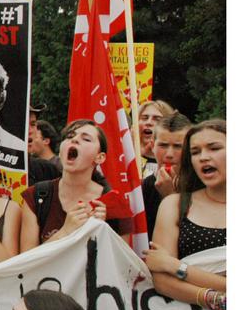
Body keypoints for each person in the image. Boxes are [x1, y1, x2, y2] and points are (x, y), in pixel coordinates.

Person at [144, 120, 225, 310]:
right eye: (195, 152)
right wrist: (212, 298)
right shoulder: (174, 204)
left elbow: (167, 266)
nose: (204, 157)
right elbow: (161, 280)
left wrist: (176, 266)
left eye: (214, 148)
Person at [19, 120, 132, 249]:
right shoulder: (35, 196)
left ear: (100, 157)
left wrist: (102, 231)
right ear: (60, 152)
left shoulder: (114, 204)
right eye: (70, 136)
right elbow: (26, 262)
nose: (75, 140)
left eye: (86, 139)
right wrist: (66, 231)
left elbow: (122, 265)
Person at [140, 112, 191, 240]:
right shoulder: (143, 188)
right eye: (163, 145)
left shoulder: (202, 185)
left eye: (178, 146)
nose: (169, 154)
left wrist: (171, 197)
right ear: (152, 146)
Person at [136, 100, 175, 178]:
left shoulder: (175, 163)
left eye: (157, 119)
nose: (149, 122)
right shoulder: (124, 158)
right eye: (144, 118)